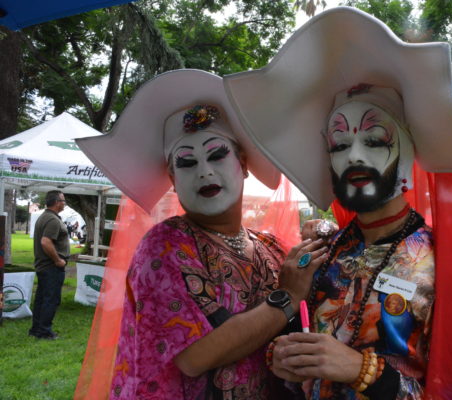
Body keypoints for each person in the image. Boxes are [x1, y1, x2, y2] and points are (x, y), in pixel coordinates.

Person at [224, 7, 452, 399]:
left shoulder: (440, 261)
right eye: (339, 145)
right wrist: (281, 358)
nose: (354, 157)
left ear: (406, 153)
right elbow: (293, 348)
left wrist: (361, 370)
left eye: (374, 141)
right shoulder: (323, 254)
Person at [75, 69, 328, 399]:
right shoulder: (164, 247)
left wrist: (326, 239)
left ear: (243, 164)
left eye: (217, 154)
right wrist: (288, 296)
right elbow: (195, 357)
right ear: (173, 177)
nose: (205, 171)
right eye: (187, 162)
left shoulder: (270, 247)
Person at [29, 190, 69, 340]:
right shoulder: (52, 220)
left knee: (41, 299)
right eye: (63, 200)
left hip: (44, 266)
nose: (64, 203)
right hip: (51, 267)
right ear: (57, 202)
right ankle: (45, 331)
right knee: (51, 299)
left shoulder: (44, 217)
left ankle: (36, 329)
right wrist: (57, 260)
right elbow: (45, 241)